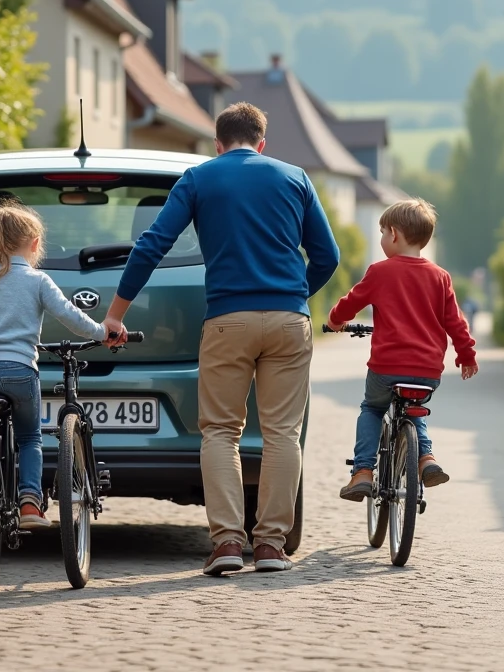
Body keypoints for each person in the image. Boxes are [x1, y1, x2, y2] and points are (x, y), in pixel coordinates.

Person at [102, 102, 340, 576]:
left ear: (218, 143)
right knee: (281, 434)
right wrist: (293, 296)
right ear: (262, 141)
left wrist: (116, 313)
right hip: (289, 320)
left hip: (228, 320)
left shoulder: (199, 178)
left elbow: (152, 244)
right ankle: (270, 546)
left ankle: (228, 542)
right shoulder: (295, 178)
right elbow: (328, 257)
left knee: (221, 431)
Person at [0, 202, 106, 529]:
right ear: (33, 244)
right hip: (19, 371)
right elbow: (70, 316)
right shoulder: (37, 280)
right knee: (30, 436)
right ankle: (30, 501)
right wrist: (102, 333)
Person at [327, 198, 477, 501]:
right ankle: (426, 459)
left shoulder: (380, 272)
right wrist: (466, 355)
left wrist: (334, 322)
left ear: (394, 234)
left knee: (371, 408)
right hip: (427, 371)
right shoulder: (440, 277)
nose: (381, 238)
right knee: (414, 411)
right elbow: (456, 323)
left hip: (386, 367)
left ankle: (363, 471)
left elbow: (351, 303)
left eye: (382, 232)